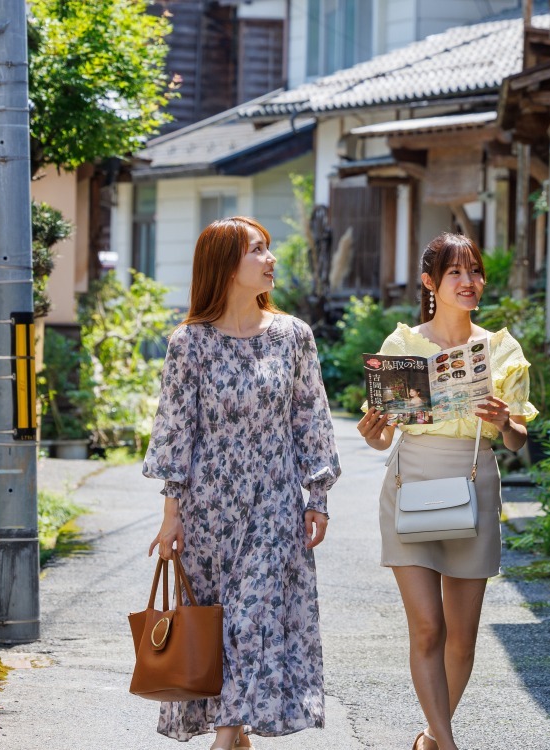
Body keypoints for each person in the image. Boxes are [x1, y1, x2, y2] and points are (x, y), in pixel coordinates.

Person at [143, 217, 341, 749]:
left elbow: (310, 418)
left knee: (254, 618)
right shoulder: (190, 343)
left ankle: (226, 737)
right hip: (209, 508)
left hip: (274, 503)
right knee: (218, 626)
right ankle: (237, 736)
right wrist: (171, 514)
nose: (271, 259)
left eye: (268, 249)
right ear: (226, 265)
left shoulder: (293, 337)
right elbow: (175, 429)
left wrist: (316, 496)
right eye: (258, 250)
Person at [356, 233, 536, 750]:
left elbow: (520, 438)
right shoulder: (403, 347)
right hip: (411, 482)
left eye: (475, 271)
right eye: (455, 273)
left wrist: (505, 423)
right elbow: (385, 433)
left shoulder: (501, 349)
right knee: (429, 628)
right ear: (430, 283)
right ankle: (448, 742)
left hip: (474, 485)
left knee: (463, 637)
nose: (469, 282)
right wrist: (373, 434)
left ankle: (432, 737)